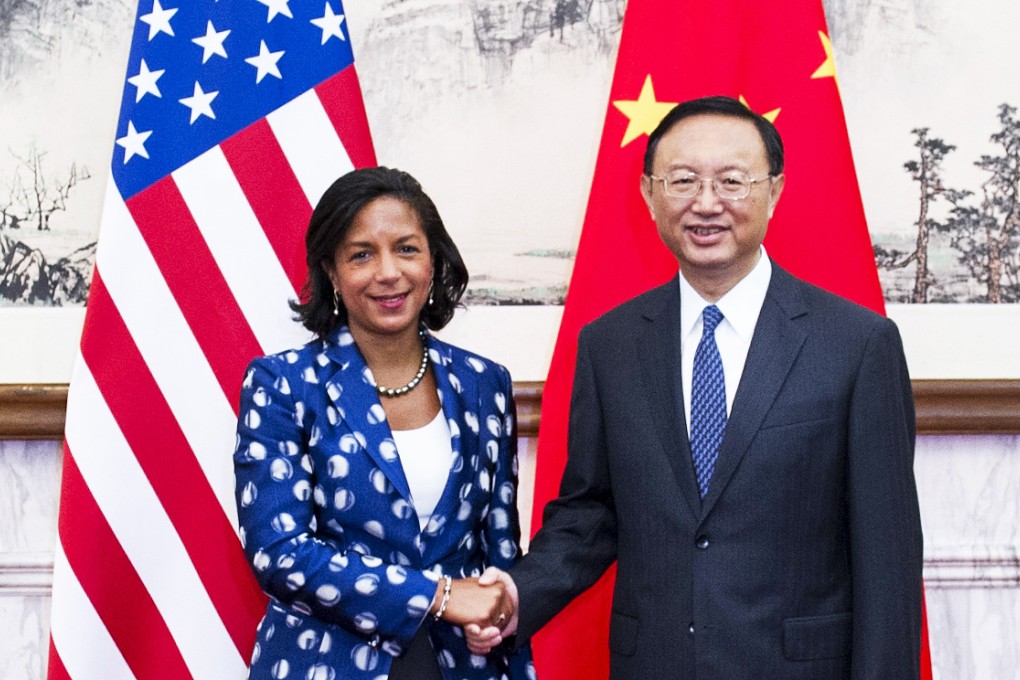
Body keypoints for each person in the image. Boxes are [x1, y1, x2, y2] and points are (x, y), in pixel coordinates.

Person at [467, 96, 923, 679]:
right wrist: (518, 593)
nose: (706, 204)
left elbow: (887, 558)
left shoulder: (856, 345)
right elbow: (591, 513)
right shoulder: (610, 344)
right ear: (649, 193)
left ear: (774, 191)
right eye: (682, 181)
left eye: (732, 181)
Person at [233, 166, 535, 680]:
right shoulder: (283, 383)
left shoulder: (485, 384)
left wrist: (500, 616)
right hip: (325, 661)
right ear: (331, 272)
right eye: (361, 255)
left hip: (464, 665)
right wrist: (438, 595)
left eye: (407, 249)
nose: (388, 272)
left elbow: (501, 552)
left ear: (433, 261)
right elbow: (280, 553)